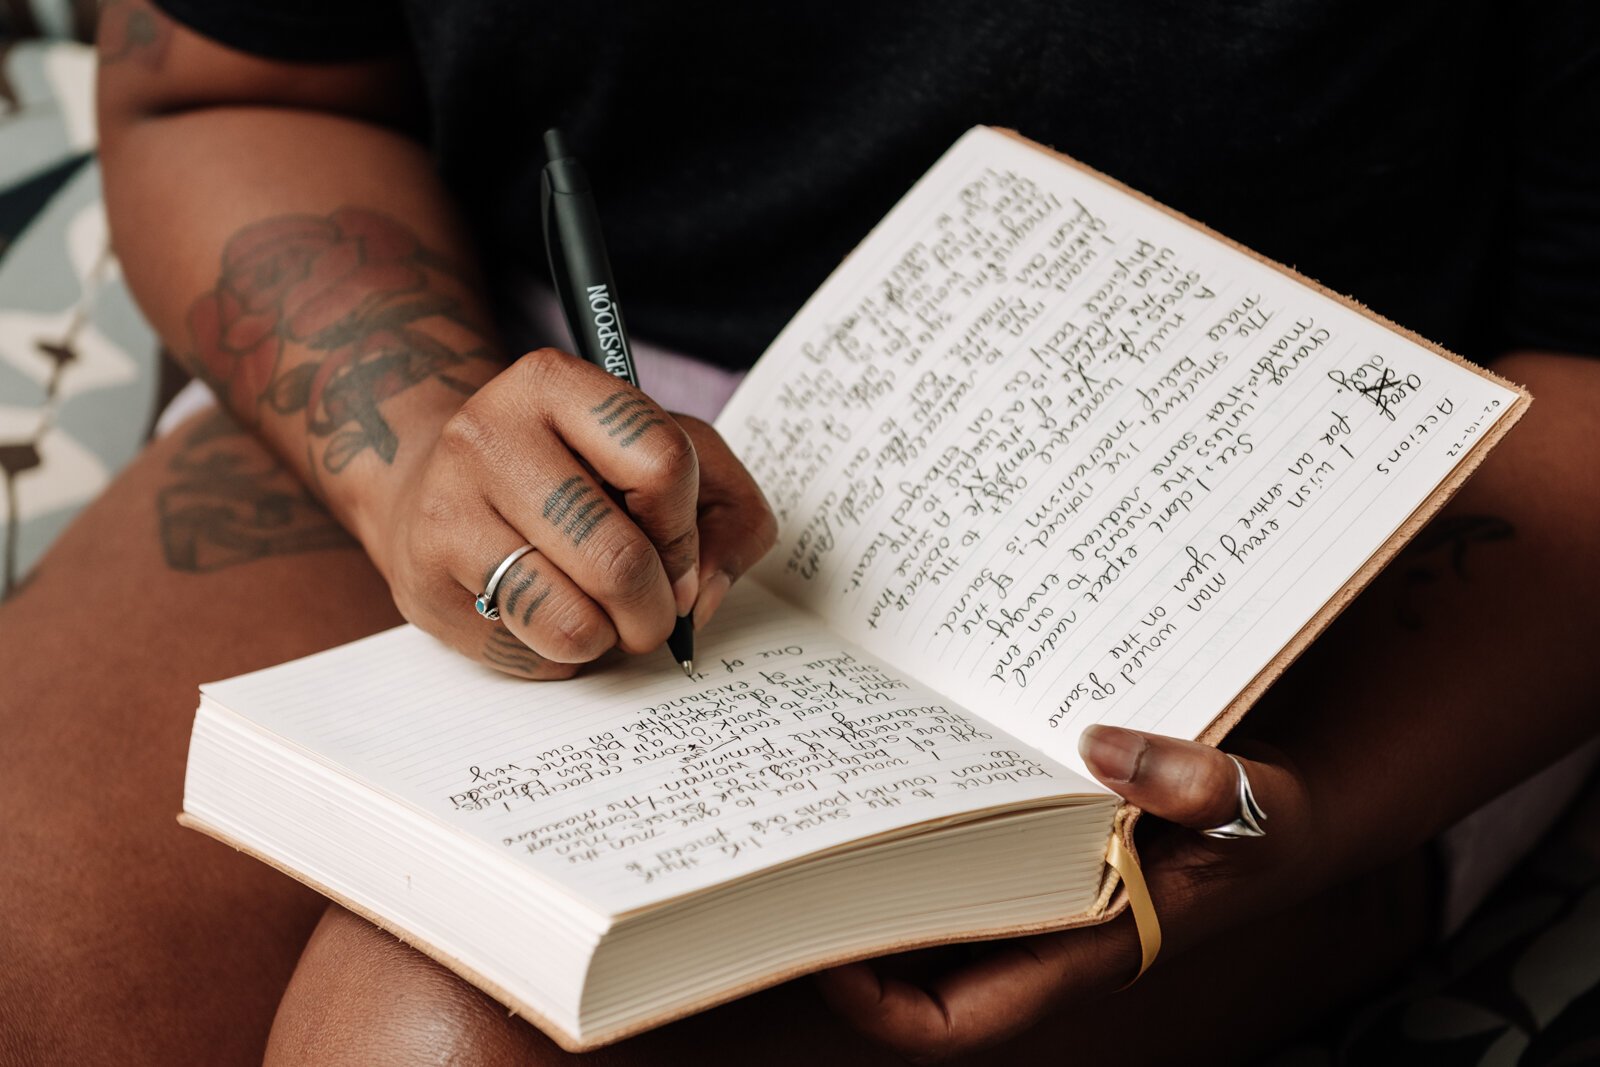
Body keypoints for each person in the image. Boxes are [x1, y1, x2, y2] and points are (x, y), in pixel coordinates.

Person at [1, 1, 1596, 1063]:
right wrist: (423, 451)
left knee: (448, 1034)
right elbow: (227, 79)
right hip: (516, 363)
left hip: (1297, 520)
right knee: (38, 973)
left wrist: (1315, 823)